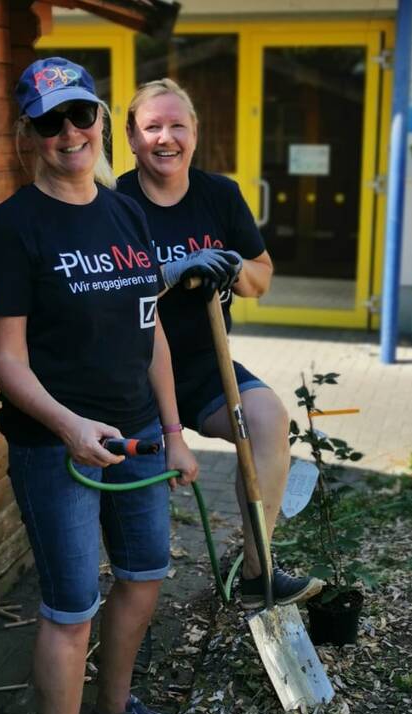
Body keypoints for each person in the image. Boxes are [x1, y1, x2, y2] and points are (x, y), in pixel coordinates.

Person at [0, 58, 216, 714]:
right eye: (52, 121)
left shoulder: (127, 214)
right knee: (71, 608)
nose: (70, 132)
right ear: (29, 132)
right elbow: (6, 359)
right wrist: (69, 427)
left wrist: (173, 434)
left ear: (101, 121)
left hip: (138, 433)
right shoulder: (10, 229)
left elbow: (152, 331)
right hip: (56, 450)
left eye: (82, 115)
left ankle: (114, 707)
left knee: (143, 579)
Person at [117, 79, 323, 611]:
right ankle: (131, 595)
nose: (167, 137)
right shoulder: (114, 204)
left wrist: (234, 267)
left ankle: (258, 571)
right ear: (132, 139)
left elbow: (262, 274)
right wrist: (167, 272)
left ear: (195, 134)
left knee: (269, 420)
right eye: (153, 127)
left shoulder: (220, 196)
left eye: (177, 125)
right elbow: (110, 294)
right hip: (132, 373)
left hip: (206, 366)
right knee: (138, 502)